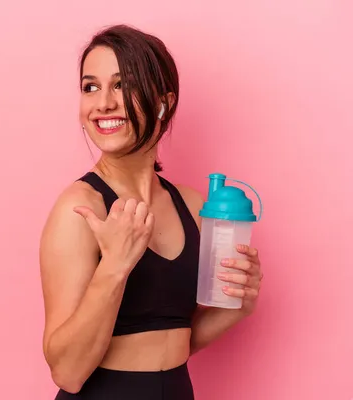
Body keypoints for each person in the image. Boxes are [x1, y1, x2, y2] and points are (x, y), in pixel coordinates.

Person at [39, 24, 264, 400]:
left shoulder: (194, 206)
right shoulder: (81, 209)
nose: (103, 103)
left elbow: (177, 339)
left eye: (122, 85)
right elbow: (67, 372)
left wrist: (238, 306)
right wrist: (114, 266)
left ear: (164, 102)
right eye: (90, 87)